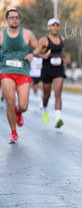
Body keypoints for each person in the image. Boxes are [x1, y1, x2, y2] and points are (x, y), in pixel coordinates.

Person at [0, 8, 42, 143]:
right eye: (11, 17)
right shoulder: (2, 35)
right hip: (6, 71)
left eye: (16, 17)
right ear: (7, 20)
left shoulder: (26, 34)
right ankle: (13, 132)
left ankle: (19, 112)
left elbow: (38, 47)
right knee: (10, 102)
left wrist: (33, 54)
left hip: (23, 72)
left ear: (19, 19)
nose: (14, 19)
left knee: (23, 106)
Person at [38, 17, 66, 128]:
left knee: (58, 93)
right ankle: (44, 109)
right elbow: (36, 52)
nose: (55, 27)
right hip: (47, 70)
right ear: (48, 27)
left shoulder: (62, 39)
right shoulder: (44, 40)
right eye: (53, 25)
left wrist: (64, 56)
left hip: (59, 69)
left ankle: (58, 118)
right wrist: (43, 55)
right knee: (47, 95)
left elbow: (61, 51)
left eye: (57, 25)